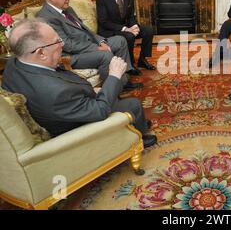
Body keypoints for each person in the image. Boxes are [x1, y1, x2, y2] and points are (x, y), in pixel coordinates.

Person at [1, 20, 157, 147]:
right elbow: (100, 111)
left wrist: (91, 91)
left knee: (110, 94)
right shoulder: (55, 92)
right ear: (40, 53)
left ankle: (137, 121)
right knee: (132, 105)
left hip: (69, 108)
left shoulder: (15, 62)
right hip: (74, 128)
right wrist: (114, 76)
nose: (62, 45)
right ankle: (139, 137)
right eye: (57, 42)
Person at [37, 0, 141, 92]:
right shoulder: (46, 17)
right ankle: (111, 91)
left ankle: (123, 80)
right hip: (71, 56)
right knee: (105, 55)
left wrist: (100, 41)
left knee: (120, 40)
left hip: (88, 44)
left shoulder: (68, 10)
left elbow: (86, 30)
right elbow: (67, 45)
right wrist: (97, 48)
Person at [96, 0, 156, 74]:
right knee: (129, 36)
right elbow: (103, 21)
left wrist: (134, 26)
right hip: (110, 30)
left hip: (126, 27)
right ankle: (130, 64)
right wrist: (125, 29)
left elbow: (131, 16)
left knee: (149, 30)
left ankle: (142, 59)